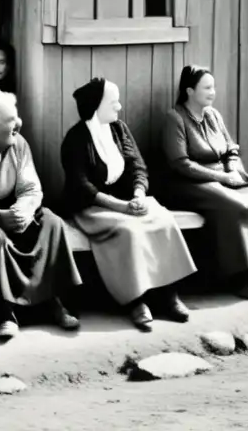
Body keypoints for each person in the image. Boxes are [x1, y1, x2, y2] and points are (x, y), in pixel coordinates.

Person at [60, 77, 197, 332]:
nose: (119, 107)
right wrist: (120, 207)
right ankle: (137, 301)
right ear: (96, 105)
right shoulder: (75, 139)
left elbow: (138, 166)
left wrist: (137, 194)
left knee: (163, 220)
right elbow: (82, 187)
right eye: (113, 102)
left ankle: (168, 294)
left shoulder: (119, 129)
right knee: (130, 230)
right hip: (93, 206)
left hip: (127, 200)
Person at [0, 90, 82, 339]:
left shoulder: (19, 143)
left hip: (12, 206)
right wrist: (0, 217)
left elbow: (31, 188)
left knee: (52, 222)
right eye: (11, 120)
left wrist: (25, 208)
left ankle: (54, 303)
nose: (18, 124)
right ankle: (3, 313)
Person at [161, 66, 248, 300]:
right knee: (236, 206)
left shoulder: (213, 115)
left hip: (224, 177)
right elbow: (181, 163)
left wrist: (232, 168)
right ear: (190, 91)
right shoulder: (175, 118)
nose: (213, 92)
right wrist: (222, 177)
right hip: (189, 184)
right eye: (207, 87)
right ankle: (240, 278)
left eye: (213, 87)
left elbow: (231, 149)